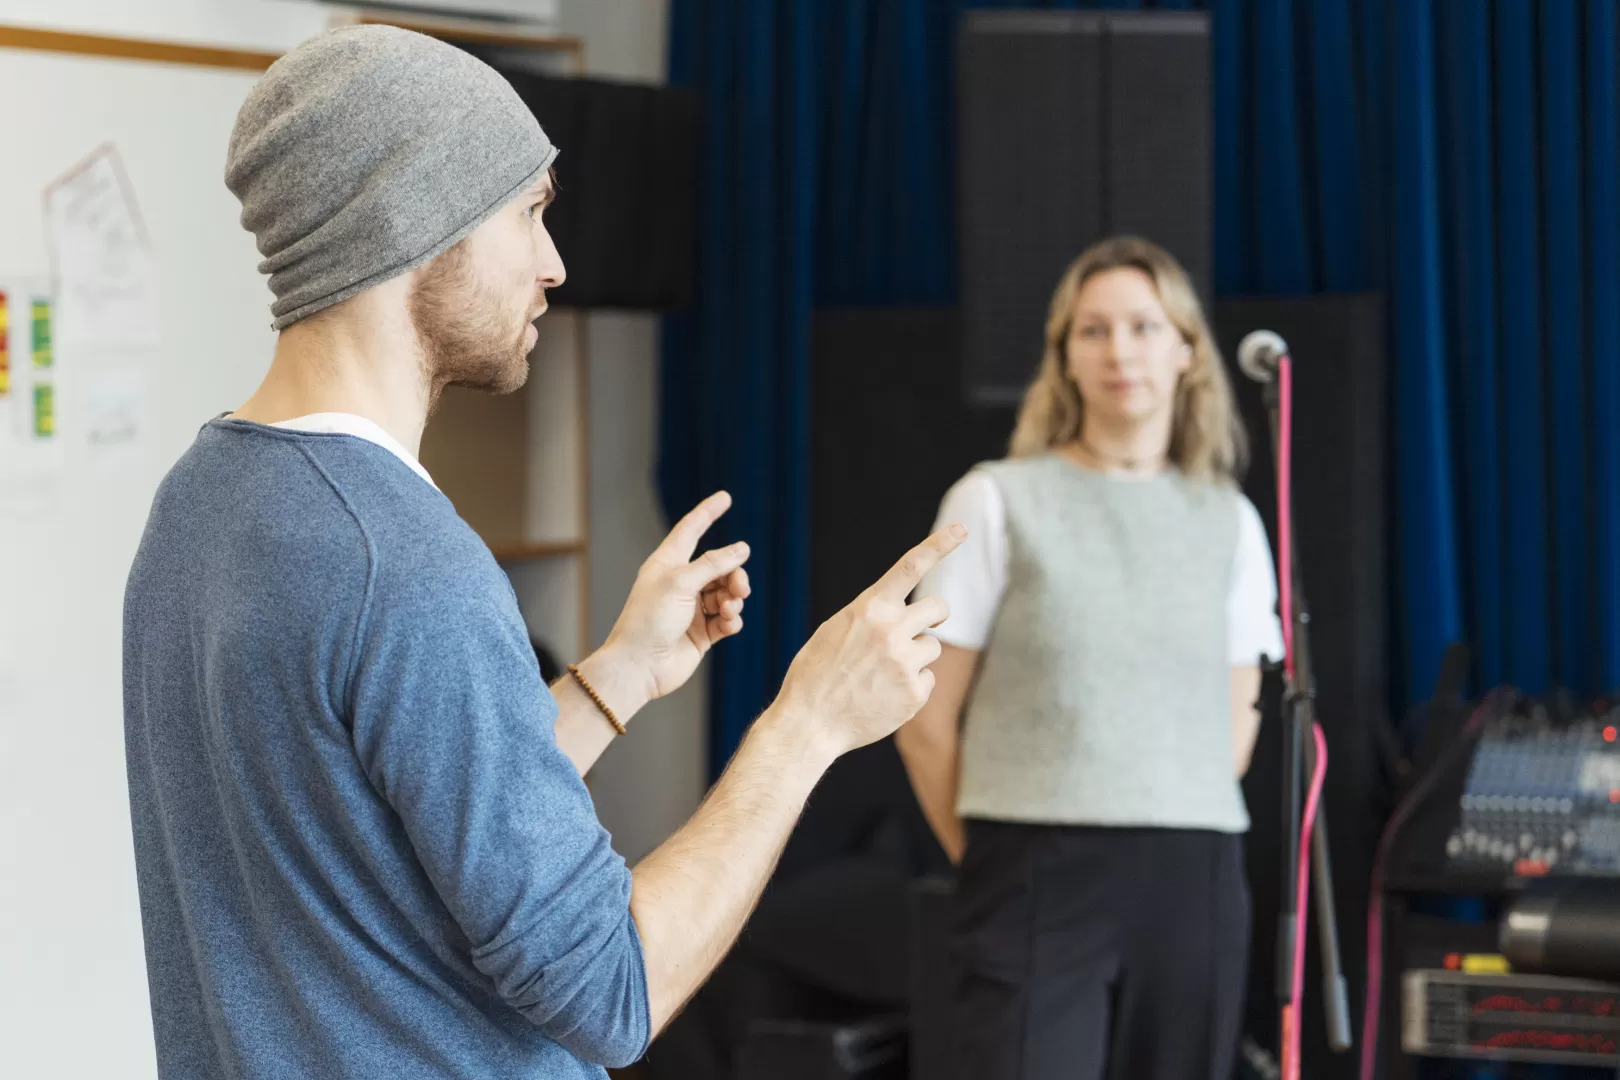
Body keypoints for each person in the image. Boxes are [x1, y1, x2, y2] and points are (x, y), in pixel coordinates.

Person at [122, 26, 961, 1080]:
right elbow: (612, 993)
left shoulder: (200, 505)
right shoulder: (406, 565)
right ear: (419, 219)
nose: (555, 265)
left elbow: (389, 825)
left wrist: (619, 678)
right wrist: (809, 724)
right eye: (529, 214)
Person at [896, 235, 1285, 1080]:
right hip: (1034, 871)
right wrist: (994, 857)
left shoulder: (1232, 521)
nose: (1120, 352)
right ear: (1063, 357)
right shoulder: (996, 499)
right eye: (1094, 330)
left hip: (1193, 877)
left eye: (1145, 327)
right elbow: (924, 720)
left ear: (1186, 351)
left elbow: (1238, 718)